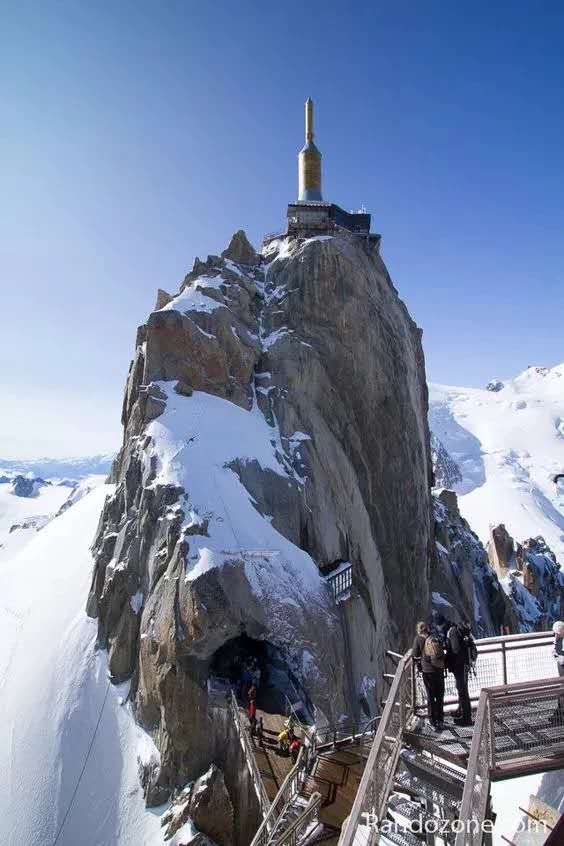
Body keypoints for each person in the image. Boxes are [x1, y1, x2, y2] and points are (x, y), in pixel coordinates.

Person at [412, 621, 446, 731]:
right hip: (439, 670)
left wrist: (420, 667)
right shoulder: (434, 636)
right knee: (440, 696)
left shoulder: (418, 639)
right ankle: (440, 720)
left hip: (428, 672)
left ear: (419, 630)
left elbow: (415, 655)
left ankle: (432, 721)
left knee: (431, 697)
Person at [446, 619, 476, 727]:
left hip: (459, 666)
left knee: (462, 691)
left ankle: (466, 718)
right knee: (462, 690)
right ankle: (461, 712)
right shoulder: (464, 632)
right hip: (465, 666)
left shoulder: (453, 632)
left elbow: (455, 649)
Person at [550, 621, 564, 725]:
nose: (556, 635)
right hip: (561, 668)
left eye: (557, 633)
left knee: (561, 692)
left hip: (562, 666)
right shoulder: (558, 639)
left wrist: (557, 656)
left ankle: (559, 716)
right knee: (561, 692)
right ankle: (558, 715)